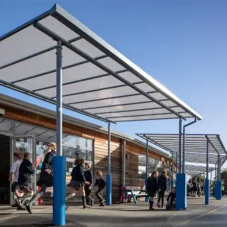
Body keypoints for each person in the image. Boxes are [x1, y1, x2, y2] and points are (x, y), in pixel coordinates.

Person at [25, 142, 56, 214]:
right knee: (58, 188)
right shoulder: (51, 154)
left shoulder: (51, 154)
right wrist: (47, 170)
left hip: (46, 175)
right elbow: (46, 163)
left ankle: (29, 203)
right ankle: (61, 204)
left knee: (42, 191)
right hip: (48, 175)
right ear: (54, 147)